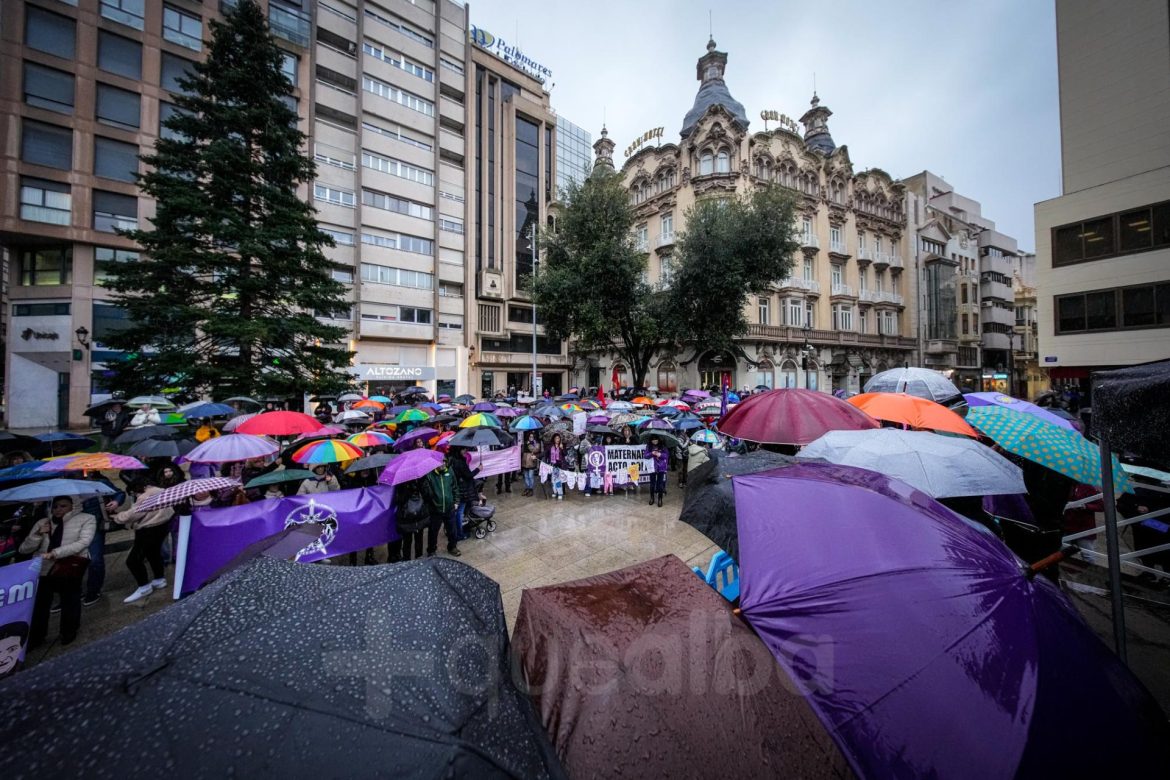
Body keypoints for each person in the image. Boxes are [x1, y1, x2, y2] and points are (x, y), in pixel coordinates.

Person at [21, 496, 97, 647]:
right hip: (43, 568)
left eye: (63, 506)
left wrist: (56, 553)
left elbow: (83, 542)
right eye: (55, 506)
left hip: (69, 566)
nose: (58, 509)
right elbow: (24, 549)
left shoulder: (87, 518)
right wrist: (38, 535)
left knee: (70, 599)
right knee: (40, 604)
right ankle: (37, 636)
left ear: (73, 506)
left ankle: (69, 632)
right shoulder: (42, 522)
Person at [107, 476, 175, 604]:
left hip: (148, 529)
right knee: (153, 554)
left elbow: (134, 513)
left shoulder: (145, 496)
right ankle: (159, 579)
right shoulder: (162, 491)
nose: (134, 494)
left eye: (133, 492)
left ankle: (144, 587)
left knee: (133, 560)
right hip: (162, 527)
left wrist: (117, 517)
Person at [421, 460, 459, 556]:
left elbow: (455, 487)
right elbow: (426, 494)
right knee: (433, 532)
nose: (443, 464)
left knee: (452, 530)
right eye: (440, 463)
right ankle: (431, 550)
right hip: (435, 510)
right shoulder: (429, 474)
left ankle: (452, 547)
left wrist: (456, 501)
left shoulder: (450, 471)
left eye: (444, 462)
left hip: (449, 508)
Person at [389, 478, 429, 563]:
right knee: (407, 541)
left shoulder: (421, 479)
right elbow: (398, 500)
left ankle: (419, 560)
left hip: (419, 517)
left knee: (419, 540)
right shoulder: (400, 483)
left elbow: (428, 495)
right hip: (406, 519)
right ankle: (407, 561)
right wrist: (407, 490)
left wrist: (421, 485)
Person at [448, 448, 480, 543]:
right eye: (462, 449)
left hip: (457, 489)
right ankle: (460, 534)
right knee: (459, 513)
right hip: (462, 491)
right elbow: (468, 475)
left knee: (458, 512)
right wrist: (478, 469)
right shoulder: (460, 462)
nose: (465, 451)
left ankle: (458, 531)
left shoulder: (452, 459)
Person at [647, 435, 669, 508]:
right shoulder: (648, 446)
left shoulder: (662, 446)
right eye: (653, 439)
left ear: (658, 439)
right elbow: (645, 455)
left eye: (656, 439)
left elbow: (666, 455)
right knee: (652, 484)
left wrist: (660, 454)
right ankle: (652, 498)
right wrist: (651, 453)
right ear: (651, 440)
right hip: (652, 467)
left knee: (660, 484)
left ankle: (660, 499)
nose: (654, 441)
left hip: (661, 467)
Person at [548, 433, 565, 501]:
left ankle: (560, 493)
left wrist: (562, 448)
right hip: (552, 465)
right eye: (556, 438)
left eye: (558, 438)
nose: (557, 439)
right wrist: (536, 457)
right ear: (553, 439)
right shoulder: (550, 446)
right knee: (553, 481)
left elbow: (565, 454)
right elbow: (545, 453)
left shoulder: (562, 446)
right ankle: (554, 492)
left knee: (558, 481)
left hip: (559, 466)